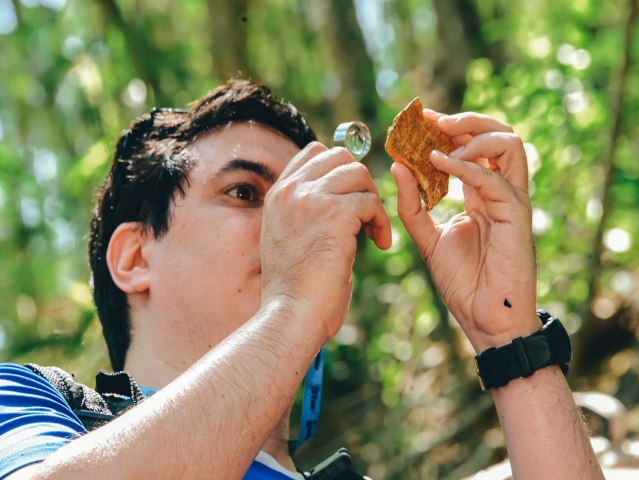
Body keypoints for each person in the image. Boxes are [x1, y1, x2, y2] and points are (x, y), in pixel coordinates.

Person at [0, 79, 603, 479]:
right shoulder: (29, 405)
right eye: (245, 192)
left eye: (305, 194)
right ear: (133, 257)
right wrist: (288, 309)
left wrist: (506, 335)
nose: (302, 217)